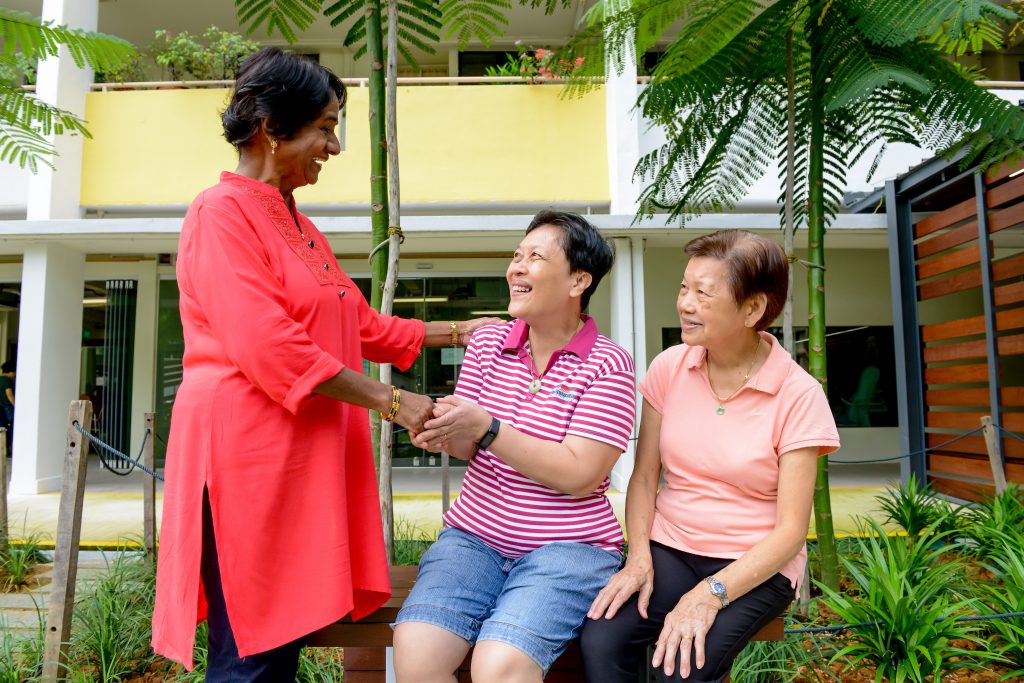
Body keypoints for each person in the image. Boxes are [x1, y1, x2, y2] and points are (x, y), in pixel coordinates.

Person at [151, 47, 496, 681]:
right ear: (271, 131)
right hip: (245, 462)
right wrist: (396, 403)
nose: (333, 146)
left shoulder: (298, 224)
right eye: (324, 127)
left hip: (296, 459)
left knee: (280, 642)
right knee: (253, 650)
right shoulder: (219, 212)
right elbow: (271, 346)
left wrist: (462, 329)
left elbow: (358, 324)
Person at [581, 230, 840, 682]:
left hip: (756, 562)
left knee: (680, 670)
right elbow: (643, 480)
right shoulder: (670, 366)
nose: (685, 303)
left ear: (752, 308)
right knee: (601, 640)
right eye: (685, 288)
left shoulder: (799, 394)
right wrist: (639, 556)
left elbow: (791, 532)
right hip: (671, 547)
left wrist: (710, 593)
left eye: (703, 293)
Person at [393, 210, 637, 683]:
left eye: (535, 258)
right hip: (473, 540)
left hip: (568, 549)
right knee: (416, 655)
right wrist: (440, 429)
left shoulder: (609, 363)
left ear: (578, 281)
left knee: (498, 666)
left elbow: (579, 473)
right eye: (516, 256)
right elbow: (469, 445)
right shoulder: (487, 342)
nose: (516, 268)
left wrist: (488, 427)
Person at [0, 360, 13, 454]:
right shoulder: (7, 381)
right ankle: (7, 449)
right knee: (10, 428)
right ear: (11, 371)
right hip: (7, 408)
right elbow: (9, 395)